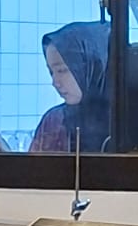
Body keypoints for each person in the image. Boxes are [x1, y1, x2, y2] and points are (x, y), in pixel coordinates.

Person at [28, 21, 112, 154]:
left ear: (91, 66)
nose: (55, 82)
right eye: (51, 72)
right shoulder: (53, 122)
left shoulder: (125, 124)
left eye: (61, 70)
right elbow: (31, 166)